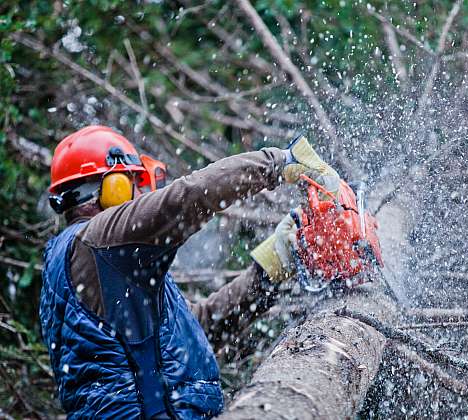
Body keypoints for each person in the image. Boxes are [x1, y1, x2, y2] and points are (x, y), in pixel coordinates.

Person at [40, 125, 339, 419]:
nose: (138, 194)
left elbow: (197, 331)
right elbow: (187, 197)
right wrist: (279, 162)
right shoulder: (100, 241)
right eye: (132, 182)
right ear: (111, 187)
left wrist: (270, 268)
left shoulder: (100, 262)